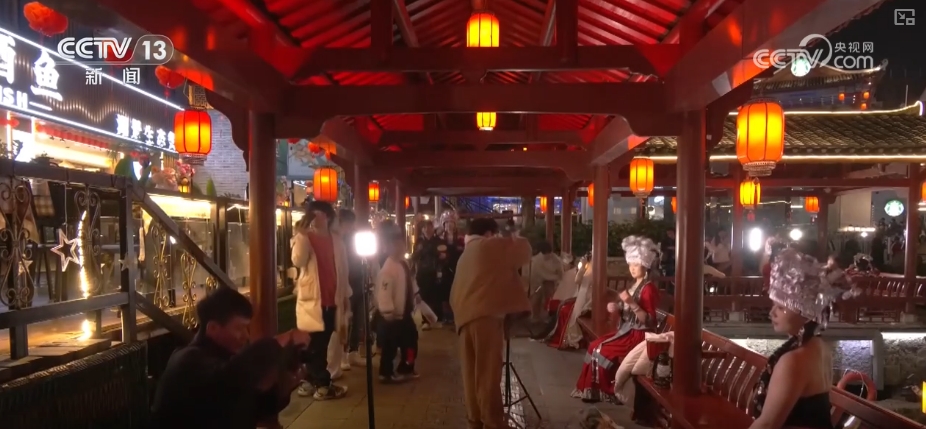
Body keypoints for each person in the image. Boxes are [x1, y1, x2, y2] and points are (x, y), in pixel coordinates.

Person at [151, 286, 309, 429]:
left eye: (247, 328)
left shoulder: (224, 358)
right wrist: (279, 342)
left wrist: (282, 388)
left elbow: (251, 408)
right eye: (239, 328)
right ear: (213, 328)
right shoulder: (187, 361)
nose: (246, 336)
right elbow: (228, 377)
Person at [749, 248, 860, 429]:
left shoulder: (794, 360)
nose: (772, 313)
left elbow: (767, 424)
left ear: (806, 312)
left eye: (781, 307)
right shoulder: (819, 346)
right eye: (773, 305)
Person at [450, 218, 532, 429]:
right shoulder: (487, 246)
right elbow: (523, 250)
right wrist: (511, 234)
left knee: (471, 373)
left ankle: (475, 418)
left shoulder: (466, 253)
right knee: (488, 373)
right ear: (488, 234)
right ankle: (493, 421)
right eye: (495, 234)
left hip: (464, 317)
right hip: (485, 317)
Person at [572, 236, 659, 404]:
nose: (632, 268)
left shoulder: (648, 289)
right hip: (628, 331)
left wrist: (631, 303)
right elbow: (628, 310)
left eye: (636, 265)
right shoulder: (636, 285)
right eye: (630, 265)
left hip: (639, 336)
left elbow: (648, 321)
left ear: (645, 266)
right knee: (594, 345)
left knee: (602, 350)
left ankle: (608, 390)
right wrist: (617, 307)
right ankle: (591, 389)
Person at [291, 201, 350, 400]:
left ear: (328, 216)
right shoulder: (305, 238)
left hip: (332, 299)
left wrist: (346, 296)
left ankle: (309, 381)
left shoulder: (337, 240)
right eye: (312, 214)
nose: (316, 218)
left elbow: (344, 270)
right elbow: (298, 261)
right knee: (314, 343)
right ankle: (323, 384)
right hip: (312, 300)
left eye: (320, 214)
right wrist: (301, 236)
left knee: (320, 343)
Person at [374, 225, 422, 382]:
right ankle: (386, 373)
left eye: (401, 244)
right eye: (396, 245)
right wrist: (387, 311)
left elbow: (411, 280)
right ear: (389, 247)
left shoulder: (404, 264)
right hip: (392, 315)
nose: (400, 248)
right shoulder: (388, 269)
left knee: (411, 342)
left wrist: (416, 293)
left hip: (405, 313)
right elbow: (384, 292)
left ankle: (407, 366)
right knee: (390, 346)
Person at [337, 209, 367, 369]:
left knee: (359, 319)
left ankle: (353, 352)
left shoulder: (355, 237)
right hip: (344, 284)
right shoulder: (336, 239)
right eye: (349, 223)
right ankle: (342, 355)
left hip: (358, 280)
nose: (351, 227)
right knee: (344, 320)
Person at [412, 220, 444, 330]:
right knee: (424, 297)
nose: (427, 229)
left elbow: (443, 256)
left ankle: (438, 319)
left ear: (433, 229)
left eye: (429, 227)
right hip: (422, 272)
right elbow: (414, 256)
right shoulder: (419, 242)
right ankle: (426, 320)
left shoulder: (438, 241)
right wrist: (419, 251)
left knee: (436, 296)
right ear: (422, 229)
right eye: (425, 227)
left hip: (435, 272)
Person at [529, 241, 565, 323]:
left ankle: (548, 316)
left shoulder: (556, 260)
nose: (547, 255)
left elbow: (561, 274)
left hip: (551, 282)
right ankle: (535, 316)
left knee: (548, 297)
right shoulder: (537, 260)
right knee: (536, 297)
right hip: (538, 282)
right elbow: (536, 274)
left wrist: (554, 280)